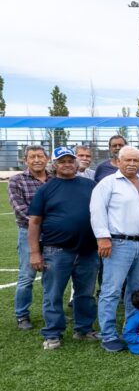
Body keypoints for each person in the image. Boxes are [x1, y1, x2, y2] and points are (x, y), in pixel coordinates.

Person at [90, 146, 139, 352]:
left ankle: (131, 331)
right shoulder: (107, 184)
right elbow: (97, 211)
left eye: (135, 160)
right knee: (111, 291)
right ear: (118, 161)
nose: (132, 164)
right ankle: (108, 334)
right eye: (127, 160)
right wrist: (102, 237)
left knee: (138, 292)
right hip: (118, 244)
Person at [29, 146, 99, 349]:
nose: (67, 164)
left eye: (70, 161)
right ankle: (52, 334)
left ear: (76, 164)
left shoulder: (90, 185)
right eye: (62, 161)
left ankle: (84, 329)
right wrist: (35, 252)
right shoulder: (45, 189)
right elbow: (34, 222)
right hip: (56, 250)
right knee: (53, 294)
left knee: (85, 293)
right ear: (54, 165)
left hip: (88, 250)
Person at [9, 144, 50, 329]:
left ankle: (50, 313)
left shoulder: (55, 179)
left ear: (46, 159)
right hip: (28, 233)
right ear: (25, 160)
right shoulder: (17, 181)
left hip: (52, 235)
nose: (37, 160)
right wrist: (50, 222)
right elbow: (21, 209)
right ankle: (22, 315)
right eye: (32, 157)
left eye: (40, 156)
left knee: (52, 277)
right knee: (27, 276)